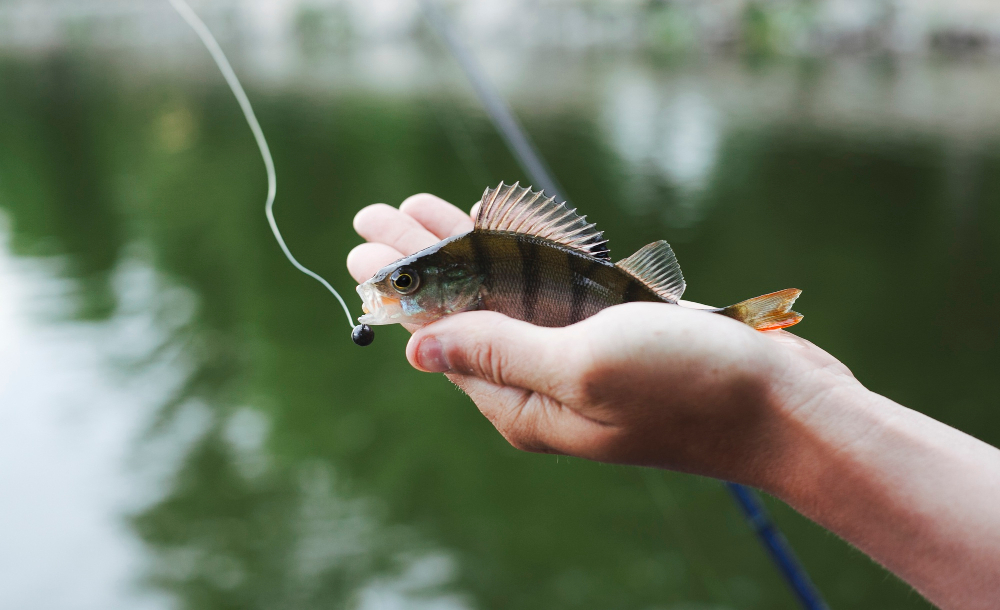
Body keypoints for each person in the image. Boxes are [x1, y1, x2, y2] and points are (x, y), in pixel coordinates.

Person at [347, 192, 1000, 610]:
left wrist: (773, 405)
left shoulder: (475, 284)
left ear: (452, 281)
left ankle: (735, 321)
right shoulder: (468, 270)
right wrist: (799, 404)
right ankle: (738, 323)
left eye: (405, 280)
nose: (394, 290)